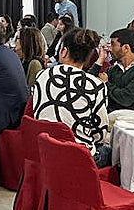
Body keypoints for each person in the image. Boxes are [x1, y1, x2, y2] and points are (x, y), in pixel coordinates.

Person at [33, 28, 109, 164]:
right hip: (78, 156)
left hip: (44, 148)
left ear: (64, 51)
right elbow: (99, 135)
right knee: (110, 150)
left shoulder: (42, 75)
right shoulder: (96, 85)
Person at [95, 28, 134, 112]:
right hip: (116, 117)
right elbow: (89, 86)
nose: (109, 49)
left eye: (113, 44)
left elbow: (125, 99)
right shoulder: (113, 69)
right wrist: (100, 59)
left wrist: (106, 83)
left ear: (126, 48)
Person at [16, 23, 47, 87]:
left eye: (17, 38)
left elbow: (31, 91)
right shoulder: (22, 60)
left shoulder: (34, 64)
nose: (15, 40)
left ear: (25, 41)